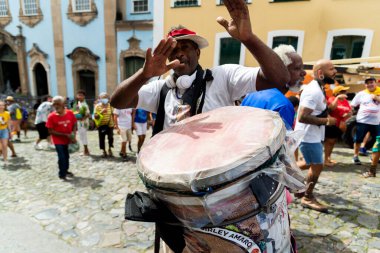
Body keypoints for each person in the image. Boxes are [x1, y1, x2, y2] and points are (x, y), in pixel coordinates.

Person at [110, 0, 290, 252]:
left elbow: (280, 79)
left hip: (225, 196)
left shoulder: (223, 78)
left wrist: (248, 39)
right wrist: (144, 74)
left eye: (185, 47)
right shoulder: (160, 89)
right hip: (174, 196)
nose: (179, 53)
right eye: (173, 50)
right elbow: (118, 101)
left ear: (198, 52)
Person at [294, 59, 338, 213]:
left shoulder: (319, 87)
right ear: (320, 73)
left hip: (313, 135)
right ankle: (307, 196)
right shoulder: (313, 91)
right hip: (308, 136)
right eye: (331, 69)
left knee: (308, 163)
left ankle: (288, 176)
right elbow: (302, 117)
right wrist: (327, 121)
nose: (335, 72)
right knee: (317, 166)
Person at [241, 44, 306, 130]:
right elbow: (282, 142)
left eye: (302, 68)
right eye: (297, 68)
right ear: (280, 71)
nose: (304, 73)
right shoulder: (284, 105)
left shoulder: (252, 94)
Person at [46, 96, 77, 181]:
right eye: (54, 104)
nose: (56, 106)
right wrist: (64, 134)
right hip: (58, 140)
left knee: (66, 156)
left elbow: (74, 123)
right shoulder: (51, 116)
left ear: (63, 104)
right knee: (61, 156)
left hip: (68, 139)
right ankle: (62, 173)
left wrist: (73, 134)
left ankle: (66, 170)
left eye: (58, 104)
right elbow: (50, 131)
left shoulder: (70, 113)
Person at [351, 76, 380, 165]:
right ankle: (355, 156)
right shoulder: (361, 93)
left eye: (372, 82)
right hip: (362, 121)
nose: (370, 84)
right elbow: (353, 105)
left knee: (378, 141)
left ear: (376, 83)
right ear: (365, 85)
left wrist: (377, 98)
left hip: (376, 122)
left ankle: (374, 157)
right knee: (358, 139)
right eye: (367, 83)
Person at [324, 85, 352, 167]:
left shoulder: (345, 101)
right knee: (329, 142)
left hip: (340, 124)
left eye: (345, 91)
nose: (345, 93)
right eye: (343, 91)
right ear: (337, 93)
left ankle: (328, 158)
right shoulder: (332, 99)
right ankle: (325, 160)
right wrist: (337, 98)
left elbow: (349, 110)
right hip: (332, 124)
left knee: (333, 142)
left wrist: (348, 114)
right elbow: (331, 108)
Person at [94, 92, 114, 158]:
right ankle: (103, 151)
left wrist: (114, 124)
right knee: (101, 138)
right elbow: (95, 116)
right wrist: (101, 112)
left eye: (106, 97)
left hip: (110, 125)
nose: (105, 99)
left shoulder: (110, 106)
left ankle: (110, 149)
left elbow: (113, 114)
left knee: (110, 138)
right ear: (100, 99)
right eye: (103, 98)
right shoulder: (97, 106)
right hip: (101, 125)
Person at [72, 90, 91, 156]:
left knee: (83, 136)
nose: (79, 96)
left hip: (83, 122)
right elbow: (75, 112)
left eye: (81, 95)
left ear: (84, 96)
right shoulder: (77, 104)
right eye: (78, 95)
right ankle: (85, 149)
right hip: (78, 122)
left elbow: (88, 114)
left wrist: (82, 118)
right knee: (81, 136)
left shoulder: (85, 104)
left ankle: (86, 150)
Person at [0, 100, 11, 166]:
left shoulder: (7, 113)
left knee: (4, 146)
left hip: (4, 130)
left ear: (4, 106)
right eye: (0, 105)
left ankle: (5, 160)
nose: (1, 106)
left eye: (2, 105)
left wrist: (10, 132)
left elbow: (8, 123)